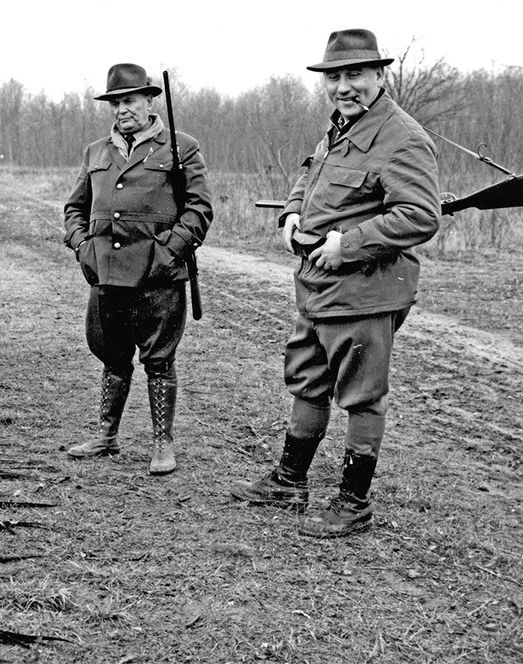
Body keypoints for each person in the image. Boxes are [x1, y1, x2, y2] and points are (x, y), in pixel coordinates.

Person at [231, 29, 440, 537]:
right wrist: (290, 212)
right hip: (319, 286)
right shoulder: (341, 128)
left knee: (361, 395)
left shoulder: (402, 137)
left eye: (355, 75)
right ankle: (289, 481)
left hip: (367, 287)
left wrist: (345, 244)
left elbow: (419, 215)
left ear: (379, 76)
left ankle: (353, 502)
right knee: (307, 378)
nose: (343, 86)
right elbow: (312, 177)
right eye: (335, 76)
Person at [63, 63, 213, 475]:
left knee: (159, 360)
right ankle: (106, 435)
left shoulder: (180, 147)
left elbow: (199, 209)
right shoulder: (96, 151)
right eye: (115, 103)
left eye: (129, 100)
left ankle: (162, 444)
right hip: (106, 274)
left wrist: (168, 254)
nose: (121, 110)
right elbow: (74, 208)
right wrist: (82, 247)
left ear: (149, 101)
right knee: (112, 356)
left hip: (157, 276)